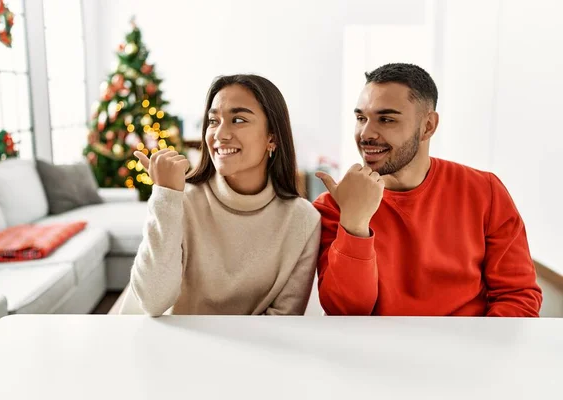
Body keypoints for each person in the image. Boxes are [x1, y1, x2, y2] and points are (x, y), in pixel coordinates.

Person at [314, 63, 542, 317]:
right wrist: (355, 226)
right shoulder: (335, 203)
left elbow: (517, 295)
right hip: (376, 352)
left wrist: (482, 352)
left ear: (428, 126)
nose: (366, 133)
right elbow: (346, 312)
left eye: (386, 119)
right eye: (361, 118)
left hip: (469, 349)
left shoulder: (485, 192)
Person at [119, 74, 321, 316]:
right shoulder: (179, 200)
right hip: (170, 344)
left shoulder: (303, 220)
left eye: (238, 119)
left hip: (253, 350)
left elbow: (283, 320)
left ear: (273, 137)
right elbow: (152, 302)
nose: (220, 134)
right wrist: (165, 196)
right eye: (213, 121)